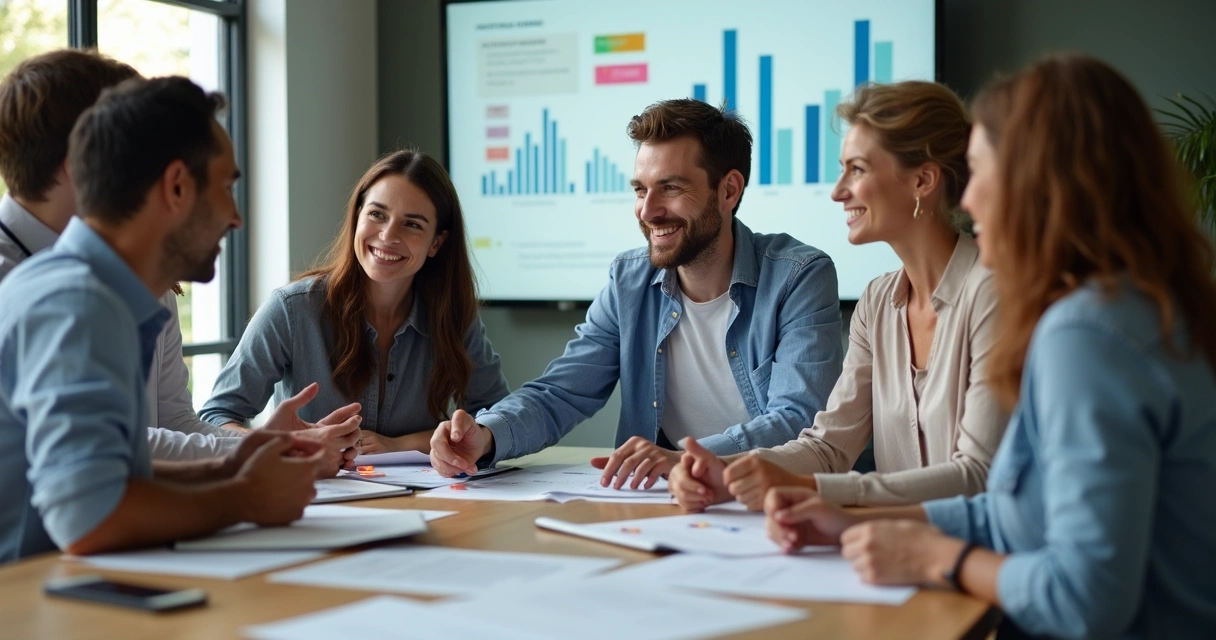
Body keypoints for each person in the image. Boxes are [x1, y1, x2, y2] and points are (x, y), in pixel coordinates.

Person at [763, 55, 1216, 639]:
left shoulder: (1085, 335)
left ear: (1039, 186)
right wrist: (857, 521)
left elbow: (1085, 601)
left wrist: (934, 556)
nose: (969, 200)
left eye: (978, 173)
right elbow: (1014, 510)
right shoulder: (1137, 306)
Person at [0, 76, 349, 562]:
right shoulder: (79, 304)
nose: (236, 217)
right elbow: (89, 516)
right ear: (177, 187)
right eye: (226, 188)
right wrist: (247, 498)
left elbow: (111, 472)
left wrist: (233, 466)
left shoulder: (81, 289)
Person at [430, 98, 844, 487]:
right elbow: (561, 392)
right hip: (664, 502)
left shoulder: (798, 276)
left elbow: (798, 419)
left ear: (729, 190)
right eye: (640, 190)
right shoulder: (629, 280)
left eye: (671, 188)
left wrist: (683, 460)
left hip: (771, 498)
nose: (647, 212)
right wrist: (486, 435)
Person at [669, 82, 1008, 510]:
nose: (838, 191)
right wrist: (727, 473)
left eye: (858, 170)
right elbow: (828, 447)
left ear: (922, 180)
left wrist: (819, 491)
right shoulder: (877, 303)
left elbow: (977, 475)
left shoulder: (995, 293)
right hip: (889, 545)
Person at [199, 150, 509, 454]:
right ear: (358, 216)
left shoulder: (454, 316)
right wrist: (279, 445)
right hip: (312, 487)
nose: (388, 235)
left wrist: (398, 445)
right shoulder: (292, 309)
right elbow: (215, 417)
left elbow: (498, 421)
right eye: (377, 214)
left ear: (437, 243)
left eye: (412, 224)